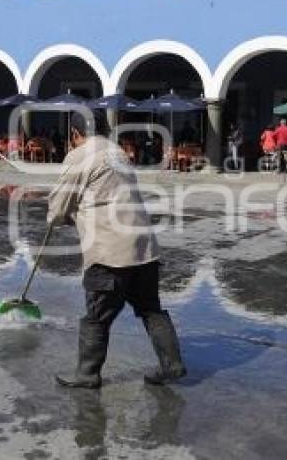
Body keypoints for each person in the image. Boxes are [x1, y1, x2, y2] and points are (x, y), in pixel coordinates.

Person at [47, 111, 186, 389]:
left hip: (109, 252)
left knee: (97, 316)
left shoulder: (79, 155)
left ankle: (87, 374)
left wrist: (55, 216)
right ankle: (172, 364)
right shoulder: (118, 152)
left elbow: (60, 205)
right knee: (150, 309)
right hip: (143, 248)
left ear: (75, 134)